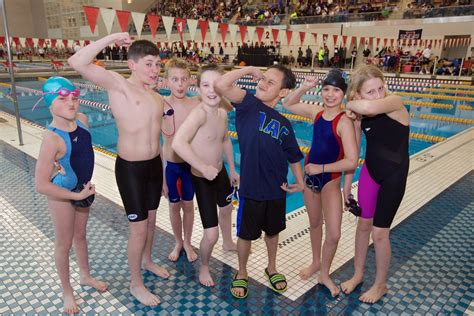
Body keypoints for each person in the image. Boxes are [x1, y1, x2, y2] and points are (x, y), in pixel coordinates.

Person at [68, 32, 169, 307]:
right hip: (131, 170)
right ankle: (136, 284)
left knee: (150, 222)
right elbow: (77, 61)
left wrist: (162, 175)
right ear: (132, 64)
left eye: (158, 64)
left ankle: (147, 261)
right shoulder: (118, 85)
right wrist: (113, 37)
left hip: (152, 168)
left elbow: (158, 139)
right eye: (148, 64)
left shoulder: (156, 97)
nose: (154, 70)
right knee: (137, 230)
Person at [215, 65, 305, 299]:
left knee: (273, 233)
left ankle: (272, 267)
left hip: (277, 189)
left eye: (271, 82)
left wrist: (301, 182)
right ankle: (242, 272)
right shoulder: (248, 104)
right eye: (263, 79)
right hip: (251, 188)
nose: (263, 83)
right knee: (245, 234)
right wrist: (250, 70)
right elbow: (221, 84)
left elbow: (294, 155)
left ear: (283, 92)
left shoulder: (284, 124)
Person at [34, 77, 108, 314]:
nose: (71, 103)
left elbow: (80, 154)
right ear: (50, 103)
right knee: (64, 244)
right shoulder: (51, 138)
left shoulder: (84, 121)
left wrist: (80, 192)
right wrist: (75, 196)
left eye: (74, 98)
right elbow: (40, 185)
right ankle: (68, 292)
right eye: (63, 99)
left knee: (81, 236)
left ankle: (85, 276)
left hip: (82, 190)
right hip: (63, 194)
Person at [282, 69, 358, 296]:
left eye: (336, 90)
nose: (330, 94)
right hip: (310, 176)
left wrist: (321, 168)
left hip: (329, 181)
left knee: (333, 233)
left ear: (343, 94)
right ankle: (316, 263)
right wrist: (305, 87)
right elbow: (287, 104)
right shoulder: (316, 113)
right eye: (326, 89)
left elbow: (352, 160)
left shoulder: (344, 121)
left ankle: (325, 273)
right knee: (315, 223)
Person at [341, 64, 409, 304]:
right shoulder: (360, 117)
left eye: (380, 88)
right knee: (363, 226)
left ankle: (381, 284)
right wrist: (347, 186)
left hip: (394, 175)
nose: (379, 94)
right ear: (358, 94)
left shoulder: (395, 103)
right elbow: (354, 152)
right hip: (371, 173)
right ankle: (358, 274)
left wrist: (350, 104)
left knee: (380, 234)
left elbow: (370, 106)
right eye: (371, 91)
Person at [172, 64, 239, 287]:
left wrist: (232, 168)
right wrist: (202, 167)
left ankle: (229, 242)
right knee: (211, 235)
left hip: (220, 173)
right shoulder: (198, 114)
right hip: (202, 178)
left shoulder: (221, 112)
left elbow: (225, 140)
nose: (211, 90)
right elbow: (178, 143)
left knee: (227, 208)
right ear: (198, 89)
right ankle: (203, 266)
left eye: (216, 85)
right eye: (205, 85)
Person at [161, 58, 199, 263]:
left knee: (189, 206)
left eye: (184, 79)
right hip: (171, 166)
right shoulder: (160, 104)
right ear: (166, 81)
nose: (180, 84)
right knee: (174, 207)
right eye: (175, 79)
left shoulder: (196, 103)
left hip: (190, 167)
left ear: (191, 80)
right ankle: (178, 241)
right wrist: (162, 178)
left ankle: (188, 242)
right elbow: (157, 143)